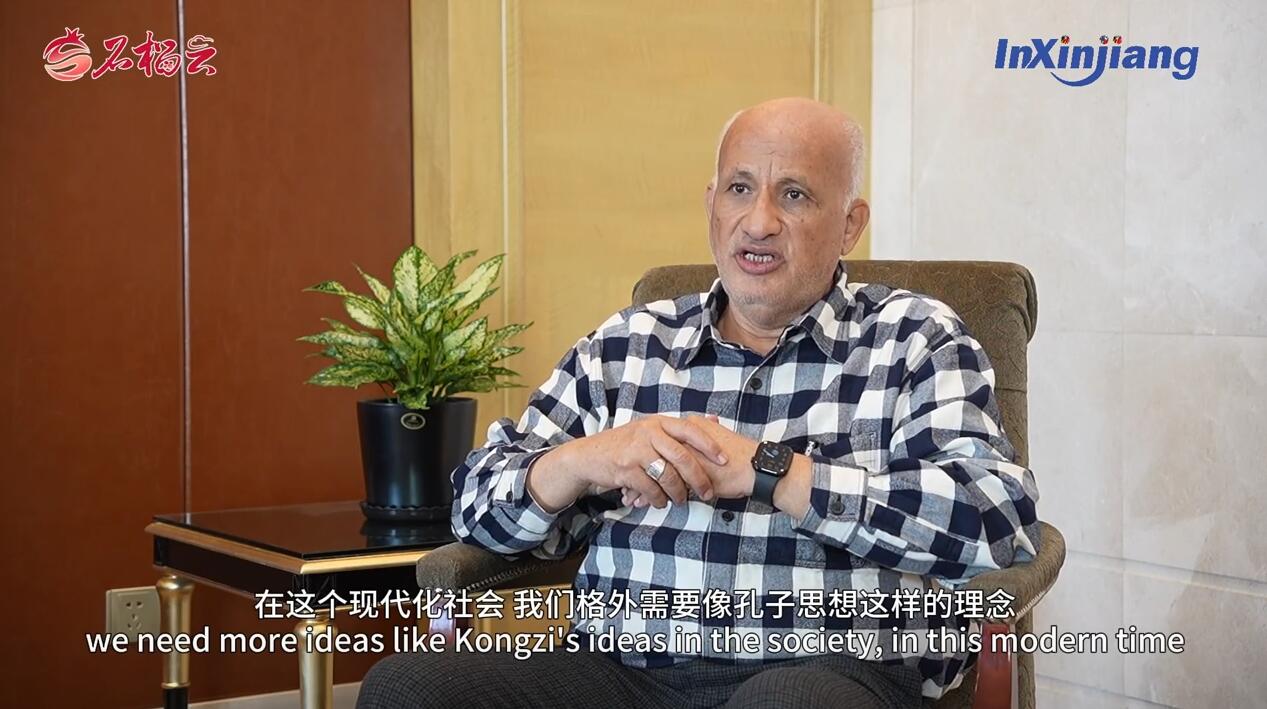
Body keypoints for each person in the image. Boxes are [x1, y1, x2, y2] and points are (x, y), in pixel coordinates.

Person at [357, 97, 1040, 709]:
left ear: (849, 224)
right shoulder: (626, 344)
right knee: (408, 688)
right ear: (711, 203)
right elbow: (474, 503)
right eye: (739, 189)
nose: (759, 221)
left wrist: (772, 472)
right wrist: (581, 461)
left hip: (827, 669)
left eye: (795, 194)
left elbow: (996, 519)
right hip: (621, 669)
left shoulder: (914, 338)